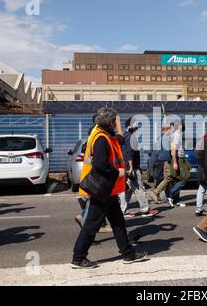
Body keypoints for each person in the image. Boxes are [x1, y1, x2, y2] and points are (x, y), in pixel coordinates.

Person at [71, 108, 147, 269]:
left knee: (118, 222)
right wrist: (117, 171)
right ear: (109, 122)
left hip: (107, 189)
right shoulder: (101, 138)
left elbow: (120, 139)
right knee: (91, 225)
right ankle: (78, 258)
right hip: (102, 189)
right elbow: (100, 165)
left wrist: (118, 123)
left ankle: (128, 253)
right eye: (115, 121)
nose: (116, 124)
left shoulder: (104, 134)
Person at [119, 118, 158, 218]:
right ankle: (145, 210)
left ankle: (122, 211)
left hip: (127, 167)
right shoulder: (130, 136)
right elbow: (130, 152)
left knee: (127, 190)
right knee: (140, 188)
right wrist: (132, 167)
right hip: (132, 168)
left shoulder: (125, 135)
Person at [150, 119, 188, 208]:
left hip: (168, 160)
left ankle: (171, 198)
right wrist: (174, 161)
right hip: (168, 160)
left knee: (172, 179)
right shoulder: (170, 136)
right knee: (169, 178)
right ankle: (156, 192)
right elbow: (171, 150)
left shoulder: (170, 136)